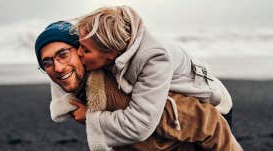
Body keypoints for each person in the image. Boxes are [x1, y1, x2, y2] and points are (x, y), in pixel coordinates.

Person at [47, 6, 238, 150]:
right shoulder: (112, 36)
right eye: (78, 46)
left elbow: (139, 125)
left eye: (85, 50)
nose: (79, 53)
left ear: (111, 54)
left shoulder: (154, 59)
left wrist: (91, 118)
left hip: (214, 106)